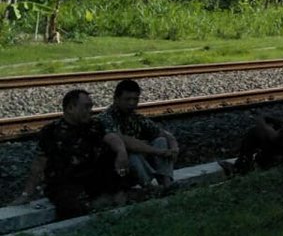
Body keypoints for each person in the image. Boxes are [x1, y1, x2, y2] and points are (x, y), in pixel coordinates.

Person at [12, 89, 130, 217]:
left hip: (91, 176)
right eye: (85, 107)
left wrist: (121, 151)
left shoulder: (94, 125)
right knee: (70, 208)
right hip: (65, 180)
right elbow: (40, 162)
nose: (89, 111)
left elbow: (112, 137)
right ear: (70, 108)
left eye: (90, 107)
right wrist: (26, 194)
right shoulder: (51, 131)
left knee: (110, 160)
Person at [99, 78, 179, 190]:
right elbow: (126, 141)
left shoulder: (136, 118)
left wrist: (174, 148)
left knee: (161, 140)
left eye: (135, 99)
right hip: (118, 167)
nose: (132, 103)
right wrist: (158, 152)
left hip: (139, 160)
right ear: (116, 99)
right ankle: (149, 187)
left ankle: (166, 184)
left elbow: (163, 134)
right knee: (133, 154)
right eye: (127, 99)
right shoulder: (106, 118)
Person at [220, 76, 283, 175]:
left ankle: (241, 167)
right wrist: (276, 121)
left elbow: (277, 138)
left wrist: (262, 124)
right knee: (262, 131)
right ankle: (244, 163)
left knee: (256, 132)